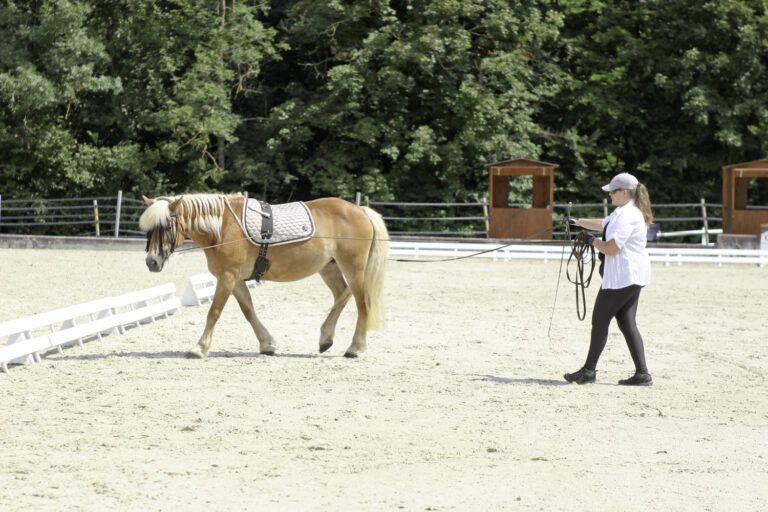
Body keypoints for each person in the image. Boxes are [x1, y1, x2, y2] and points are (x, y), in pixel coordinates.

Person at [564, 172, 654, 386]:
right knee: (627, 322)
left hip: (623, 277)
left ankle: (588, 371)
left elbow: (612, 248)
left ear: (624, 192)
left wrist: (592, 241)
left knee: (600, 320)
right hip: (631, 275)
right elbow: (603, 223)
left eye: (613, 192)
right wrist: (577, 222)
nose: (610, 195)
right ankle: (642, 374)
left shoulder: (628, 216)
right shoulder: (621, 212)